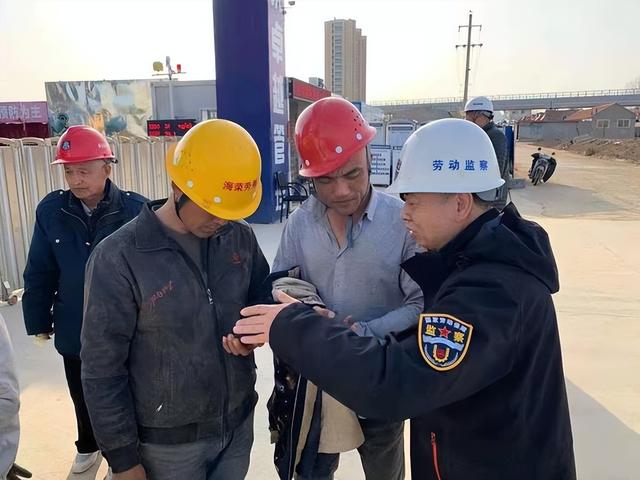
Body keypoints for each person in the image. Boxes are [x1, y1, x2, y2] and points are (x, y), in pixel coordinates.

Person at [234, 118, 576, 480]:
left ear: (460, 204)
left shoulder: (492, 292)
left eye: (413, 202)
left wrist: (295, 326)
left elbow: (394, 383)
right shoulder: (469, 266)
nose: (404, 214)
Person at [81, 119, 270, 480]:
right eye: (211, 207)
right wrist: (123, 459)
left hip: (237, 426)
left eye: (230, 211)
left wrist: (251, 334)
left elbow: (261, 295)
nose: (221, 220)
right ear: (177, 186)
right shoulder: (119, 258)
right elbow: (101, 369)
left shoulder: (239, 237)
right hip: (166, 448)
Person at [268, 96, 422, 480]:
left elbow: (420, 302)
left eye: (352, 174)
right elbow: (279, 284)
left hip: (380, 371)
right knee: (312, 470)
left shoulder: (401, 223)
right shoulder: (300, 225)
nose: (340, 191)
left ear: (369, 156)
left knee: (384, 467)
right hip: (318, 376)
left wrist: (363, 333)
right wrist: (303, 308)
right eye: (325, 179)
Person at [21, 125, 147, 474]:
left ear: (107, 168)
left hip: (126, 327)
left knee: (127, 392)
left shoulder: (135, 211)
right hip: (74, 322)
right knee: (82, 391)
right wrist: (37, 319)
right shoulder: (52, 211)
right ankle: (88, 446)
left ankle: (124, 456)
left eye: (84, 171)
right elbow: (40, 267)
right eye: (69, 172)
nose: (76, 180)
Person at [464, 96, 510, 209]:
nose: (468, 120)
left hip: (490, 201)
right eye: (467, 116)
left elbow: (496, 171)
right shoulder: (476, 135)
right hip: (478, 198)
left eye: (469, 116)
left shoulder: (495, 136)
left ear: (481, 115)